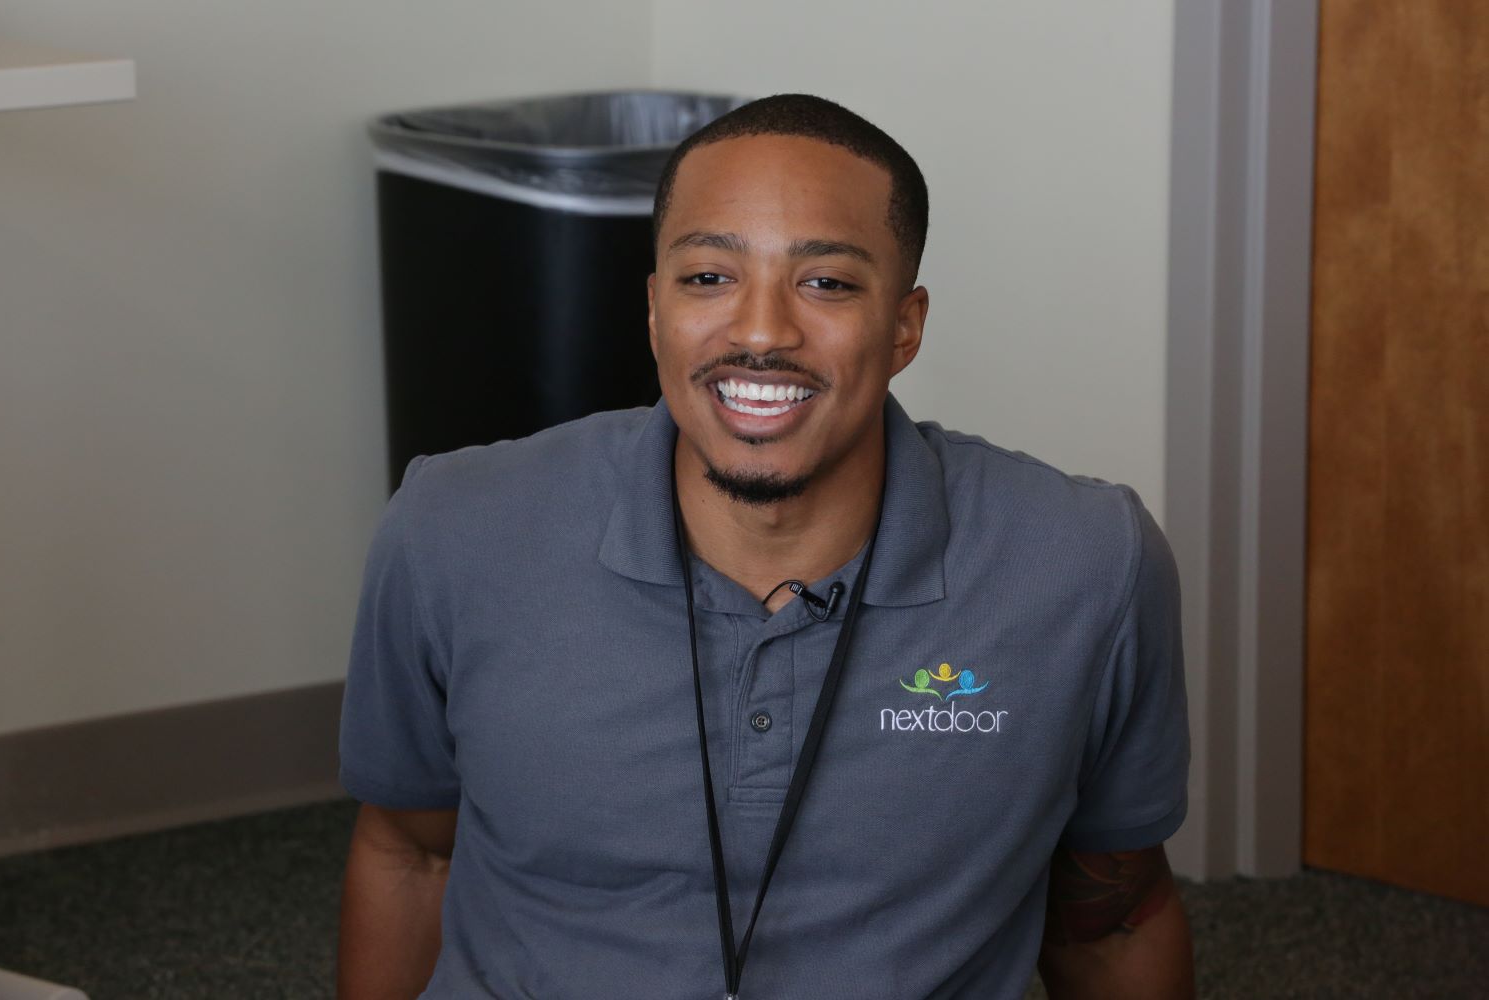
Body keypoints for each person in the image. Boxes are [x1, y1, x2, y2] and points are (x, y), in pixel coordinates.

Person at [337, 94, 1193, 1000]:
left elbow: (1117, 915)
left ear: (905, 326)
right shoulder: (454, 529)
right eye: (709, 277)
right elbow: (412, 856)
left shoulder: (1086, 563)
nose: (759, 331)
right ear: (656, 308)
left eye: (825, 282)